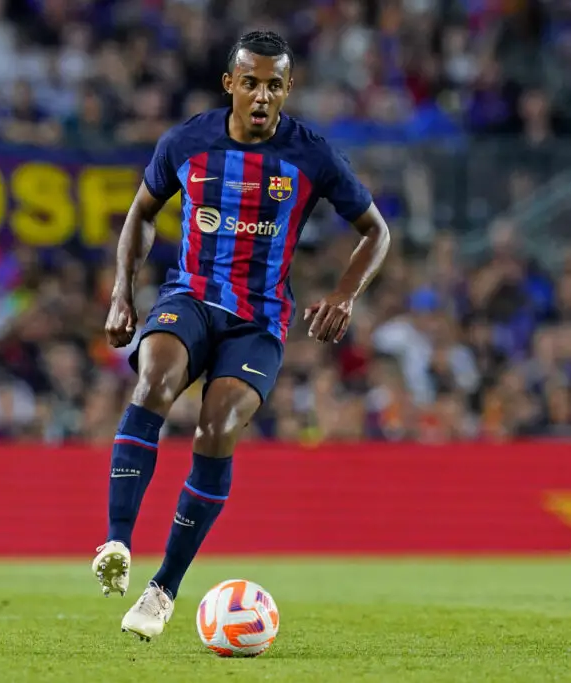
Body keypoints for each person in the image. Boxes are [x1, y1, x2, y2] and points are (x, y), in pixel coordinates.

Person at [93, 31, 391, 640]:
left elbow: (375, 230)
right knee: (155, 380)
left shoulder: (311, 155)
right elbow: (142, 212)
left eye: (274, 85)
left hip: (258, 321)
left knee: (217, 426)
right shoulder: (186, 142)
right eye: (250, 83)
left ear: (288, 89)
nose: (262, 96)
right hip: (189, 298)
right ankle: (116, 544)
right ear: (230, 83)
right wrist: (123, 292)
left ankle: (162, 590)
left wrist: (344, 294)